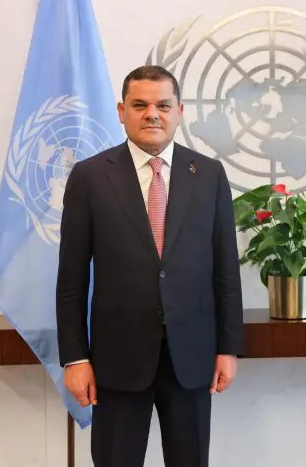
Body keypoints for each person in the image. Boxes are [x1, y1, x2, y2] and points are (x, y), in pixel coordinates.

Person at [56, 65, 244, 467]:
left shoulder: (209, 175)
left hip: (191, 358)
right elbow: (71, 279)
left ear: (180, 111)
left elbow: (226, 271)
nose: (152, 114)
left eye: (163, 105)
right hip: (116, 361)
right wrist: (75, 358)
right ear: (121, 111)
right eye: (140, 105)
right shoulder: (90, 177)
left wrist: (228, 348)